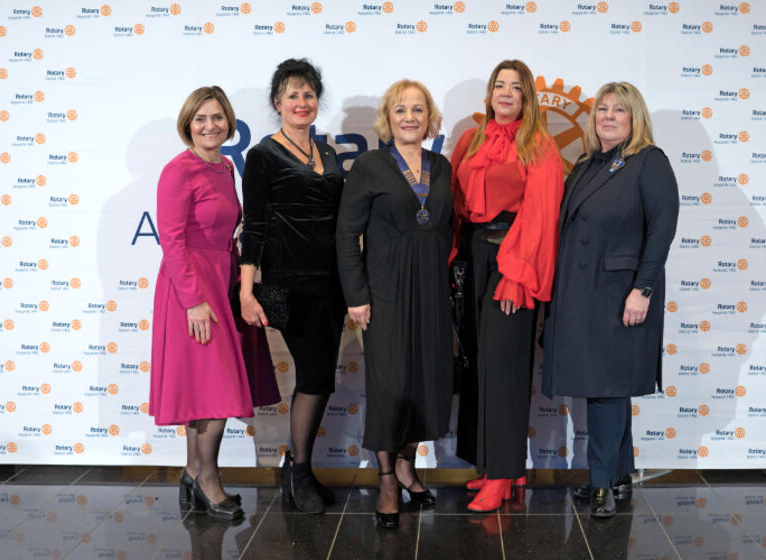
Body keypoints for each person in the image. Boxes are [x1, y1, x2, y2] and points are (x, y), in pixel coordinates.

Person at [541, 81, 680, 518]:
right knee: (608, 388)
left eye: (619, 110)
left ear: (635, 118)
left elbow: (661, 230)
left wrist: (643, 289)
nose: (608, 116)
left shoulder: (649, 161)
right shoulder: (587, 164)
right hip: (582, 294)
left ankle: (600, 484)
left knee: (606, 389)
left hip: (619, 294)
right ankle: (619, 474)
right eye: (602, 109)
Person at [150, 86, 278, 521]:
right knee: (214, 388)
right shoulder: (177, 171)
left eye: (218, 117)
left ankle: (192, 471)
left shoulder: (225, 166)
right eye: (201, 118)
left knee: (203, 387)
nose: (210, 126)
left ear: (229, 123)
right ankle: (207, 479)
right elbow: (172, 241)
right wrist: (193, 300)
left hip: (222, 280)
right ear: (188, 124)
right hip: (191, 288)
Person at [336, 79, 453, 529]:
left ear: (430, 118)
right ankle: (387, 479)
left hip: (431, 292)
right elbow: (347, 235)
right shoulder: (369, 166)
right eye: (401, 109)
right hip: (384, 292)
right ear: (388, 118)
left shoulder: (441, 166)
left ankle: (407, 465)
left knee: (425, 381)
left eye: (418, 109)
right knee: (389, 385)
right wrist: (357, 296)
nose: (410, 117)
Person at [451, 60, 564, 512]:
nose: (506, 92)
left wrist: (518, 276)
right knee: (480, 363)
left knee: (505, 367)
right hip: (473, 257)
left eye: (516, 87)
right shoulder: (470, 140)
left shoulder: (539, 146)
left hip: (512, 260)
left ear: (526, 97)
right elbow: (453, 201)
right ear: (490, 93)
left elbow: (541, 216)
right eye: (500, 84)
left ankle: (502, 474)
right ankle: (495, 464)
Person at [239, 59, 345, 515]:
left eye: (308, 94)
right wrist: (247, 290)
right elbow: (254, 227)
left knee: (321, 379)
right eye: (292, 95)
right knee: (314, 376)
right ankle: (297, 471)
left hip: (332, 286)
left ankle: (299, 468)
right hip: (290, 285)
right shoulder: (262, 156)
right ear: (277, 102)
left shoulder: (329, 154)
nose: (302, 102)